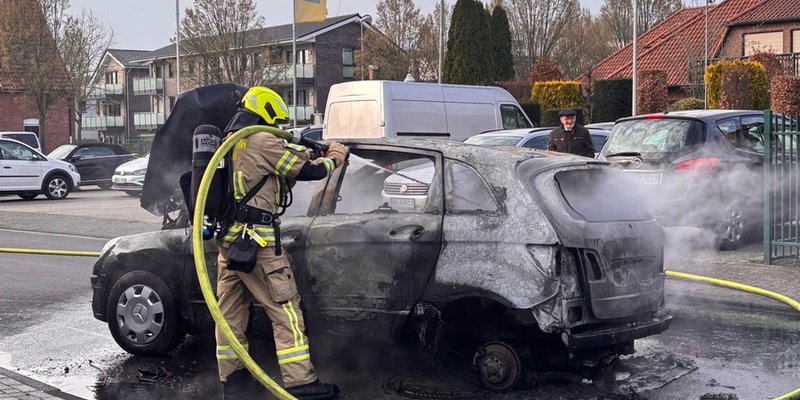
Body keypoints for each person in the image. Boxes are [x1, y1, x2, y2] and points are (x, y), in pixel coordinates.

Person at [215, 86, 347, 400]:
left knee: (230, 313)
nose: (279, 130)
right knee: (285, 309)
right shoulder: (262, 140)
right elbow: (309, 171)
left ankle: (233, 379)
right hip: (257, 244)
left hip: (230, 243)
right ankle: (301, 382)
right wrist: (336, 157)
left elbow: (271, 175)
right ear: (269, 112)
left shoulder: (231, 142)